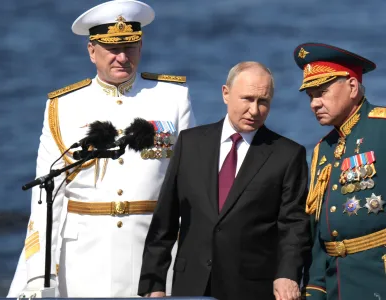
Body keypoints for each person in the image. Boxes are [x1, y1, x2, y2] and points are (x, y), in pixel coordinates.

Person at [7, 0, 195, 297]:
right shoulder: (64, 106)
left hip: (152, 259)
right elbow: (47, 198)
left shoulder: (172, 99)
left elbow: (188, 185)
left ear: (141, 46)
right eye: (112, 49)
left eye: (130, 48)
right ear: (92, 51)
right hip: (83, 263)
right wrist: (40, 277)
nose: (122, 57)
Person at [138, 61, 311, 300]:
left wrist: (288, 274)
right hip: (191, 285)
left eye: (263, 102)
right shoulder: (190, 143)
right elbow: (165, 219)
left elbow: (293, 226)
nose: (254, 110)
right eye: (247, 99)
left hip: (252, 288)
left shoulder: (287, 154)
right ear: (226, 94)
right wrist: (153, 283)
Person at [293, 42, 386, 299]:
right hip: (337, 287)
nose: (314, 104)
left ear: (353, 87)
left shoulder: (382, 129)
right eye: (311, 96)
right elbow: (320, 231)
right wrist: (315, 288)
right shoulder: (323, 150)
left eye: (322, 92)